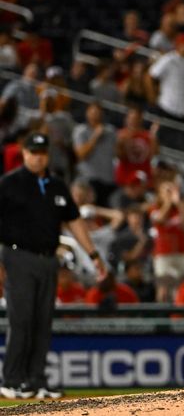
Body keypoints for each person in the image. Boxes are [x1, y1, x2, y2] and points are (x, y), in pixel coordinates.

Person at [0, 133, 106, 399]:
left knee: (43, 321)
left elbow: (75, 221)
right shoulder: (9, 183)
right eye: (33, 152)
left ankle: (37, 380)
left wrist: (93, 255)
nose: (38, 157)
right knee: (21, 319)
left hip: (49, 260)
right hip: (18, 255)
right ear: (24, 153)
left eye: (42, 152)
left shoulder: (57, 185)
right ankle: (12, 380)